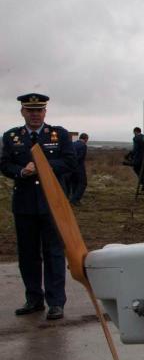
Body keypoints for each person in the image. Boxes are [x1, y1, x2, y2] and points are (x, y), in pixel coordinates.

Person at [0, 93, 75, 320]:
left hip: (52, 203)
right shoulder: (12, 136)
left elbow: (70, 162)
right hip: (24, 204)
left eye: (39, 110)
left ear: (45, 112)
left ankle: (56, 302)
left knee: (53, 253)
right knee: (28, 254)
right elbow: (4, 164)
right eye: (30, 111)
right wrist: (21, 171)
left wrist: (43, 166)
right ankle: (34, 299)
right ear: (22, 112)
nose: (35, 115)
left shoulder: (59, 134)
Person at [70, 132, 88, 205]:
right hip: (79, 167)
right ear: (86, 139)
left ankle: (74, 198)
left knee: (74, 183)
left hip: (71, 167)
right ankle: (75, 199)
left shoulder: (72, 144)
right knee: (83, 183)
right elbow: (80, 157)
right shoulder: (83, 146)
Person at [131, 126, 144, 191]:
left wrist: (130, 155)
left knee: (136, 168)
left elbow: (135, 149)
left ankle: (142, 181)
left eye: (134, 132)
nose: (134, 134)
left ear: (136, 131)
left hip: (139, 158)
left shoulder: (136, 138)